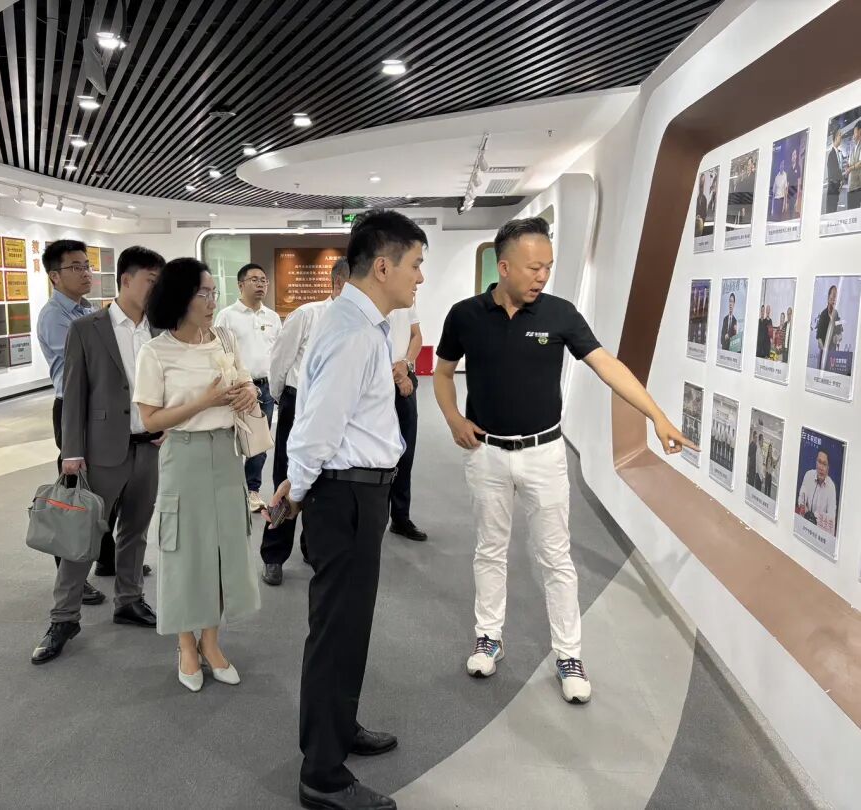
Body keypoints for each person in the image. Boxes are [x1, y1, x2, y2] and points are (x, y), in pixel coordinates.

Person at [433, 216, 693, 704]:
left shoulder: (560, 314)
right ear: (503, 267)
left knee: (555, 557)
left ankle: (568, 654)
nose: (542, 276)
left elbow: (606, 364)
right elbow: (443, 373)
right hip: (486, 454)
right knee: (490, 549)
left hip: (544, 453)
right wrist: (452, 418)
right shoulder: (465, 315)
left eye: (548, 267)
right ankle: (488, 637)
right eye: (533, 268)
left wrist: (656, 416)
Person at [268, 210, 426, 810]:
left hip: (356, 492)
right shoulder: (354, 332)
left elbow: (324, 415)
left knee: (349, 627)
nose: (419, 278)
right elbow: (316, 428)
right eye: (415, 265)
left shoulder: (360, 324)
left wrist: (299, 482)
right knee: (337, 632)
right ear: (383, 266)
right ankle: (322, 775)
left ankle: (339, 728)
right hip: (347, 496)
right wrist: (296, 491)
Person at [31, 247, 165, 664]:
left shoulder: (161, 328)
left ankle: (129, 599)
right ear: (126, 280)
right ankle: (63, 618)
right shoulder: (88, 328)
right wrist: (71, 451)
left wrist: (169, 423)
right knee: (83, 535)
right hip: (102, 450)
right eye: (151, 281)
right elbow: (73, 394)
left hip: (149, 447)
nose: (156, 289)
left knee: (136, 530)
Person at [134, 258, 262, 693]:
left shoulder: (224, 339)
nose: (211, 302)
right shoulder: (156, 352)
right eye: (202, 293)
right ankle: (185, 644)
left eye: (213, 293)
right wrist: (204, 402)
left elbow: (245, 382)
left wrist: (248, 392)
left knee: (224, 549)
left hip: (226, 453)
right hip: (183, 456)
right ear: (180, 297)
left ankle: (211, 641)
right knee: (185, 552)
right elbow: (150, 420)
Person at [260, 258, 350, 586]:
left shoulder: (360, 322)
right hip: (298, 402)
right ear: (338, 283)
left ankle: (312, 546)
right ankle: (273, 554)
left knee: (323, 480)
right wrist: (283, 398)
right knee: (287, 476)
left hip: (336, 408)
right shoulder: (308, 314)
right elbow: (279, 360)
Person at [35, 239, 104, 607]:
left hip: (98, 407)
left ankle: (106, 557)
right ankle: (71, 576)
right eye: (76, 267)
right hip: (72, 407)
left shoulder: (86, 308)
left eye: (87, 265)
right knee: (73, 494)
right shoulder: (54, 316)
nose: (85, 273)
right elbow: (87, 361)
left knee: (102, 485)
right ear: (55, 276)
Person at [215, 263, 282, 512]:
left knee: (259, 444)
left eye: (264, 280)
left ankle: (252, 491)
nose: (261, 284)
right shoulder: (227, 316)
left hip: (265, 389)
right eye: (254, 279)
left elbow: (279, 354)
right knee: (231, 442)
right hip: (237, 389)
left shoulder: (272, 317)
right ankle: (229, 489)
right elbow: (219, 352)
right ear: (240, 284)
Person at [387, 302, 427, 542]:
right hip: (376, 383)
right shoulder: (370, 299)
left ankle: (400, 517)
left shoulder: (407, 301)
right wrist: (398, 375)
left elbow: (416, 335)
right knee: (376, 455)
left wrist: (406, 364)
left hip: (404, 382)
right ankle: (373, 518)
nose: (417, 284)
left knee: (405, 452)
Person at [797, 449, 838, 535]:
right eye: (819, 462)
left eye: (824, 464)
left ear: (828, 468)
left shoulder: (831, 487)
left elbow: (831, 517)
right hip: (805, 523)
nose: (821, 467)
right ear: (816, 462)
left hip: (819, 531)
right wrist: (804, 508)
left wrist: (816, 517)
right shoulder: (808, 475)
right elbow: (801, 498)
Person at [826, 128, 845, 215]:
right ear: (835, 137)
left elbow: (839, 169)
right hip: (832, 188)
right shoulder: (831, 154)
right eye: (839, 135)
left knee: (834, 210)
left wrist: (841, 181)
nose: (841, 137)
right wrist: (839, 181)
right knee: (830, 211)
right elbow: (832, 172)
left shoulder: (839, 153)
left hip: (836, 188)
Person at [846, 124, 861, 210]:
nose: (853, 134)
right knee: (851, 211)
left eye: (855, 131)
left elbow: (860, 163)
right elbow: (850, 161)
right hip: (851, 185)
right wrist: (847, 165)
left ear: (859, 131)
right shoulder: (854, 146)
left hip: (857, 186)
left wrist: (850, 168)